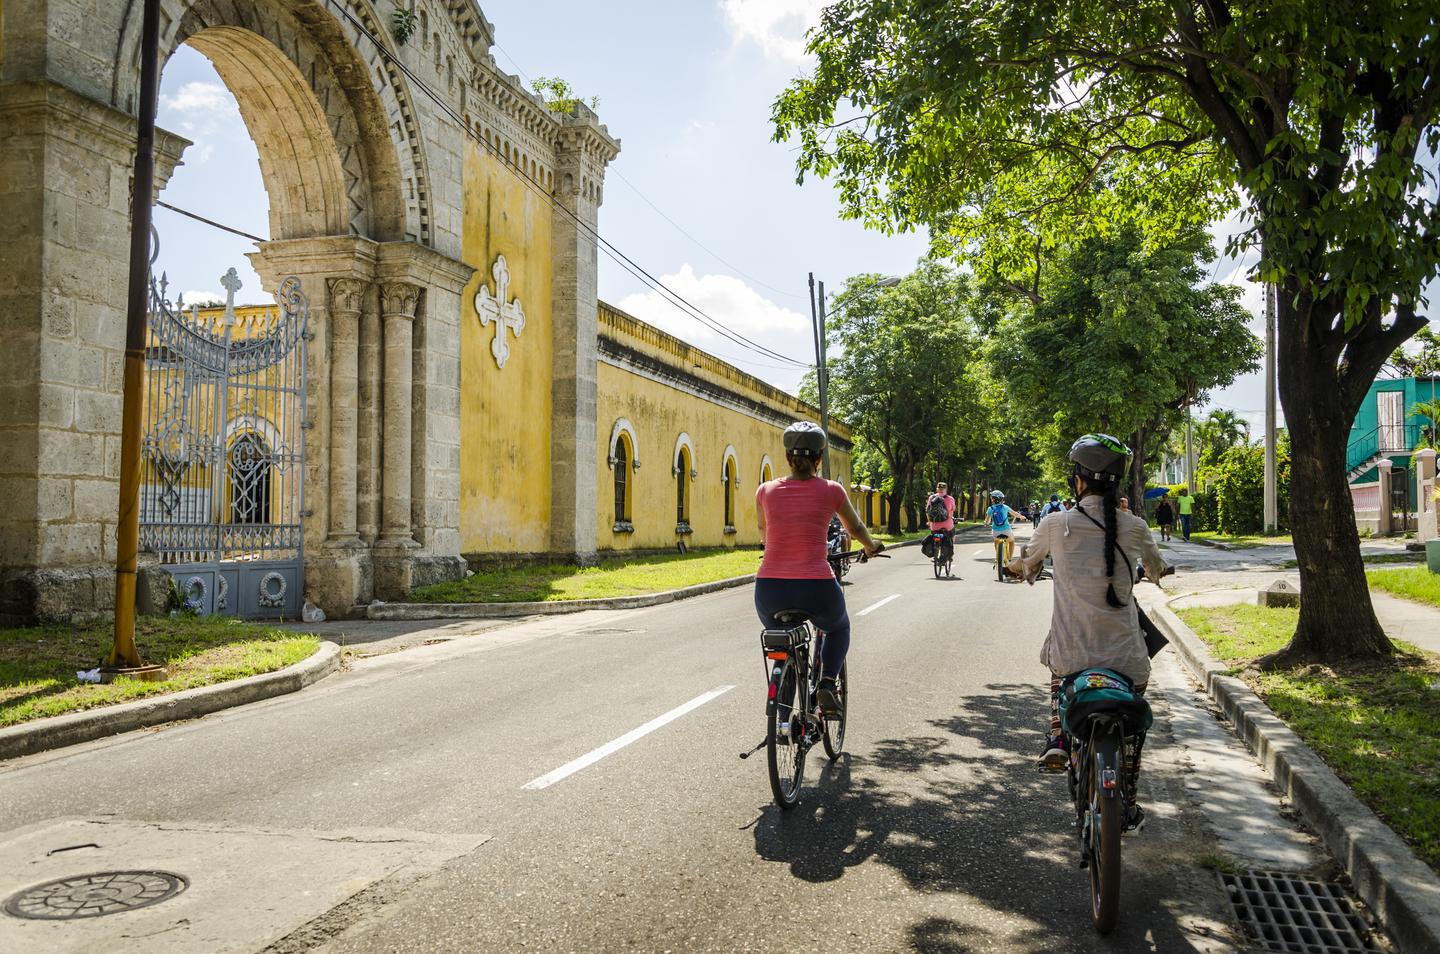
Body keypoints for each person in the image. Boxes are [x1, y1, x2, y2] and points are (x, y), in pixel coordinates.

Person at [1010, 434, 1168, 830]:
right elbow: (1156, 568)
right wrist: (1156, 570)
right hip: (1128, 660)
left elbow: (1025, 565)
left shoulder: (1055, 523)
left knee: (1058, 672)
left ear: (1077, 480)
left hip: (1073, 655)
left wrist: (1016, 563)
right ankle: (1128, 801)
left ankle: (1058, 738)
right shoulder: (1135, 526)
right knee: (1130, 737)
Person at [755, 421, 881, 715]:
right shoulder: (832, 490)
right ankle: (826, 683)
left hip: (770, 590)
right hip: (817, 588)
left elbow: (763, 532)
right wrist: (871, 545)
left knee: (783, 643)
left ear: (788, 457)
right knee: (839, 627)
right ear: (819, 459)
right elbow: (855, 528)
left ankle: (782, 718)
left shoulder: (765, 491)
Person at [985, 490, 1027, 566]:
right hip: (1006, 530)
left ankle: (998, 556)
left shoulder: (990, 508)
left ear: (993, 499)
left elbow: (987, 521)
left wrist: (986, 523)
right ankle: (1010, 559)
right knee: (1011, 541)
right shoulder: (1005, 507)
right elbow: (1015, 514)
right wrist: (1022, 517)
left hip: (996, 531)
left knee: (996, 540)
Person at [925, 481, 957, 565]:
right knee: (951, 535)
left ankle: (935, 551)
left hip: (934, 525)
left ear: (937, 489)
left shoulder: (931, 497)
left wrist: (929, 522)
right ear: (946, 489)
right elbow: (952, 511)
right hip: (947, 525)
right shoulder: (950, 498)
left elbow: (927, 511)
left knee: (934, 536)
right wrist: (950, 518)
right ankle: (948, 555)